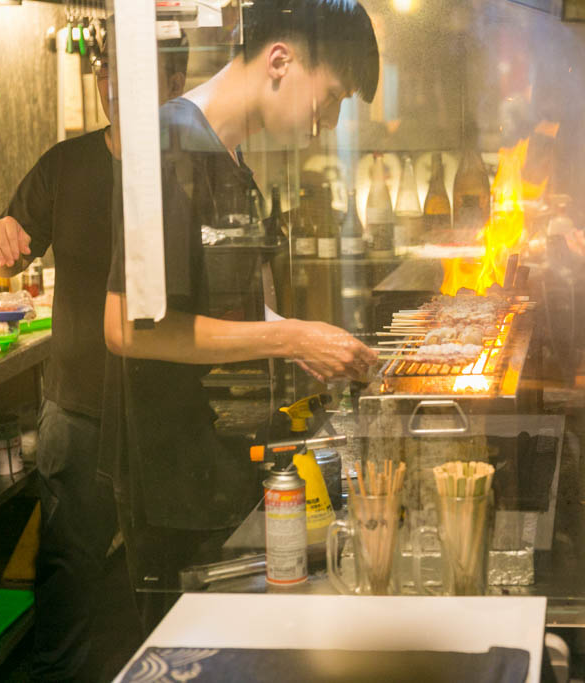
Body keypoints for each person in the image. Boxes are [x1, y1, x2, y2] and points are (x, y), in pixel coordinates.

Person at [98, 0, 379, 628]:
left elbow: (219, 301)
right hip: (175, 486)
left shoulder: (228, 159)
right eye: (330, 96)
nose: (327, 122)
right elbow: (126, 327)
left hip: (221, 471)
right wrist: (291, 335)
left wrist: (303, 339)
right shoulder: (174, 144)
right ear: (280, 61)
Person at [0, 36, 188, 681]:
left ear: (174, 77)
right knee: (68, 589)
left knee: (165, 594)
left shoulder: (188, 167)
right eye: (108, 70)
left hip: (162, 417)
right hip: (77, 414)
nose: (114, 83)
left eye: (134, 71)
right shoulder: (65, 165)